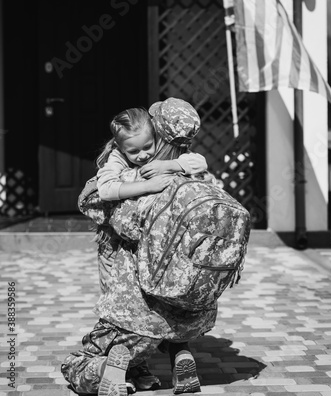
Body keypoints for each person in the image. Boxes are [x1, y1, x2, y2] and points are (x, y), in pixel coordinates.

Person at [61, 99, 217, 396]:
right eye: (135, 151)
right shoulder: (197, 182)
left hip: (132, 300)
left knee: (87, 358)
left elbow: (91, 199)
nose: (143, 155)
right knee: (168, 324)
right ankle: (179, 355)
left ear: (157, 135)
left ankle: (109, 368)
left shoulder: (138, 176)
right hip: (182, 298)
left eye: (149, 145)